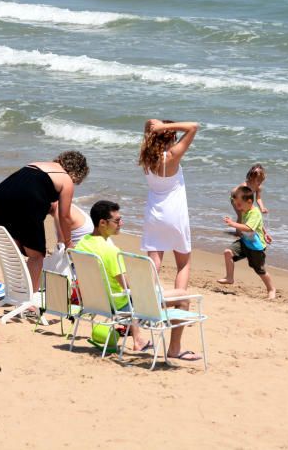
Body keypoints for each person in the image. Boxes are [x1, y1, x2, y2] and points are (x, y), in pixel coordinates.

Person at [76, 200, 201, 361]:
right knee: (183, 297)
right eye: (117, 220)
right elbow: (128, 287)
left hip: (95, 301)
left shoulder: (82, 244)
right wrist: (148, 288)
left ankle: (139, 340)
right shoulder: (110, 251)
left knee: (157, 291)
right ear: (102, 223)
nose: (121, 223)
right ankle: (174, 349)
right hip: (120, 304)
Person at [0, 151, 88, 292]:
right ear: (78, 173)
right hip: (27, 201)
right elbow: (64, 216)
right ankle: (29, 301)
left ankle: (17, 291)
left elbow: (25, 187)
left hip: (0, 195)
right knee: (37, 256)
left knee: (13, 251)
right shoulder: (66, 180)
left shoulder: (36, 164)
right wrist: (68, 242)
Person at [139, 119, 198, 290]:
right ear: (171, 137)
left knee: (154, 262)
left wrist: (156, 128)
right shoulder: (171, 157)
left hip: (153, 215)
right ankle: (180, 304)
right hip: (174, 215)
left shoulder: (146, 157)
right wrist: (164, 126)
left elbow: (148, 124)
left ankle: (147, 301)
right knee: (183, 265)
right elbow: (193, 127)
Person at [217, 185, 276, 299]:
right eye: (236, 204)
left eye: (239, 204)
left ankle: (271, 289)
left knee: (260, 270)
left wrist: (233, 224)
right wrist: (265, 232)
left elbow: (249, 228)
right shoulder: (245, 209)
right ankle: (229, 278)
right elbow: (259, 224)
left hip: (256, 247)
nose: (237, 207)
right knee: (228, 252)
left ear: (249, 201)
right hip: (245, 242)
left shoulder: (255, 213)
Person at [230, 163, 272, 244]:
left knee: (253, 214)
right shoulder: (245, 186)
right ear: (251, 177)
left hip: (246, 200)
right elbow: (237, 196)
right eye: (258, 180)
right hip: (236, 199)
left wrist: (262, 208)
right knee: (241, 216)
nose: (260, 183)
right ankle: (238, 234)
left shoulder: (258, 187)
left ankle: (256, 232)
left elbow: (258, 198)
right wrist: (240, 205)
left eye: (262, 180)